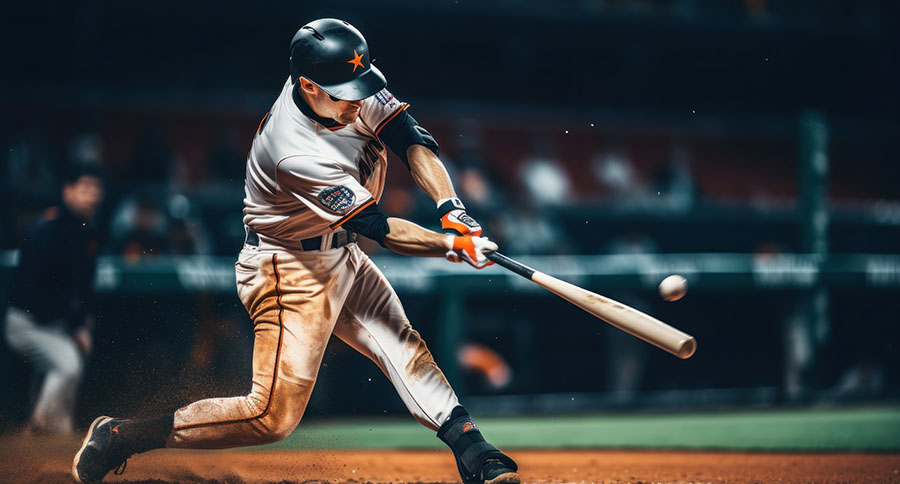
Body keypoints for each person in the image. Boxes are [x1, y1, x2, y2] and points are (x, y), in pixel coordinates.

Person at [73, 18, 519, 484]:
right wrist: (450, 245)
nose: (358, 97)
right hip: (288, 268)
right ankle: (122, 435)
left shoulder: (345, 85)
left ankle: (475, 453)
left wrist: (452, 208)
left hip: (338, 252)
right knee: (270, 417)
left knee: (402, 344)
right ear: (308, 85)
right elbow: (378, 227)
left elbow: (410, 139)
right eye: (346, 90)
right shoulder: (292, 151)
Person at [5, 164, 103, 434]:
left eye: (95, 189)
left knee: (69, 363)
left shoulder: (87, 232)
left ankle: (58, 434)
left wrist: (82, 322)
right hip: (27, 322)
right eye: (84, 188)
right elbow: (37, 293)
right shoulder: (48, 229)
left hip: (55, 324)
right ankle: (36, 431)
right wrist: (75, 326)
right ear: (67, 191)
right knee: (68, 362)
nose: (92, 195)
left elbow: (84, 289)